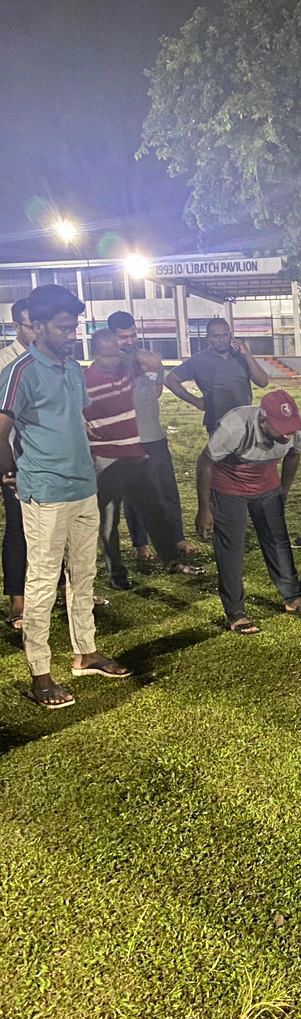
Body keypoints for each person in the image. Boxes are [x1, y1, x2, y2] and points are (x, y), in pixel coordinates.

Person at [0, 285, 129, 709]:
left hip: (82, 487)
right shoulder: (20, 371)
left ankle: (85, 653)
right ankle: (40, 673)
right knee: (41, 583)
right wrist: (10, 473)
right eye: (63, 327)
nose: (72, 334)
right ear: (36, 327)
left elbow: (74, 418)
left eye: (74, 326)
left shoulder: (72, 368)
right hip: (46, 493)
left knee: (84, 576)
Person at [83, 331, 203, 590]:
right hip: (104, 458)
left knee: (153, 506)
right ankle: (116, 573)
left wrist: (127, 350)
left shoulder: (124, 371)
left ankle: (171, 559)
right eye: (106, 355)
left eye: (114, 354)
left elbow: (153, 360)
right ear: (94, 354)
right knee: (109, 520)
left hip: (132, 453)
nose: (111, 360)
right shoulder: (85, 381)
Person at [196, 391, 301, 633]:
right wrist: (204, 510)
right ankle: (236, 612)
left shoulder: (297, 426)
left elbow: (294, 456)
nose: (287, 434)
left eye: (290, 427)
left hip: (267, 485)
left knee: (278, 541)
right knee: (232, 548)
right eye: (280, 427)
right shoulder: (235, 425)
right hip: (229, 487)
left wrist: (283, 490)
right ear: (263, 420)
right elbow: (205, 463)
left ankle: (292, 598)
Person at [105, 310, 192, 563]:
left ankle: (177, 538)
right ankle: (141, 544)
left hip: (154, 437)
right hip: (127, 440)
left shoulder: (151, 359)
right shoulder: (107, 365)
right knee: (135, 496)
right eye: (123, 337)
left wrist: (150, 370)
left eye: (133, 335)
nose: (130, 341)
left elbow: (156, 391)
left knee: (167, 489)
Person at [165, 317, 269, 435]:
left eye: (225, 335)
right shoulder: (198, 360)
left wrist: (248, 355)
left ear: (230, 336)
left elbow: (263, 382)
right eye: (216, 336)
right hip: (218, 424)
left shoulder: (241, 357)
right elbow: (170, 380)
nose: (221, 340)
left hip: (245, 422)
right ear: (208, 338)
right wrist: (196, 401)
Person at [0, 298, 35, 629]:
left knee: (58, 528)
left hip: (48, 460)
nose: (36, 331)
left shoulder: (52, 360)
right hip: (14, 457)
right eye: (29, 325)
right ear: (16, 326)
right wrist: (8, 468)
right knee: (18, 527)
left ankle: (64, 588)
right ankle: (17, 600)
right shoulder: (4, 363)